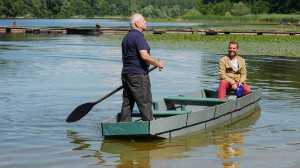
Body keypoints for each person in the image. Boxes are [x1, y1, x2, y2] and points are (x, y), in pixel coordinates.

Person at [120, 14, 164, 122]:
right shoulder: (138, 37)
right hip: (138, 75)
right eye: (143, 21)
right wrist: (158, 64)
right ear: (137, 24)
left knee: (127, 103)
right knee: (145, 102)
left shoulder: (126, 38)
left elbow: (123, 59)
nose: (146, 22)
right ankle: (149, 128)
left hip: (126, 74)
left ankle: (124, 128)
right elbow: (144, 55)